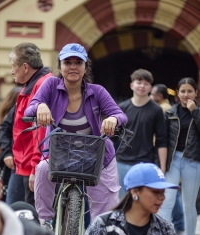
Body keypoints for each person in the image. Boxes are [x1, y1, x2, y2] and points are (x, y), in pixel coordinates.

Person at [26, 43, 128, 223]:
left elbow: (120, 114)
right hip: (59, 154)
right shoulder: (50, 85)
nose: (73, 66)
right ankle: (44, 222)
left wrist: (113, 119)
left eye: (78, 62)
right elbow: (29, 109)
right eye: (67, 62)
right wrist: (41, 105)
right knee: (42, 168)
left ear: (85, 67)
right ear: (60, 66)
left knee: (105, 216)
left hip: (97, 156)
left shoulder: (97, 91)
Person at [158, 77, 200, 235]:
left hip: (192, 160)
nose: (186, 94)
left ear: (196, 93)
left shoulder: (198, 111)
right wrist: (162, 163)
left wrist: (195, 112)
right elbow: (163, 139)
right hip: (173, 160)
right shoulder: (170, 113)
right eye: (182, 91)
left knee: (188, 204)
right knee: (167, 200)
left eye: (189, 91)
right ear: (177, 93)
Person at [8, 43, 53, 207]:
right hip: (27, 163)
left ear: (25, 67)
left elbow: (41, 132)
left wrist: (35, 168)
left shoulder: (41, 84)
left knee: (32, 216)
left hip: (33, 164)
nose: (12, 71)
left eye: (14, 66)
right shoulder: (35, 83)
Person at [116, 69, 167, 200]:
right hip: (121, 161)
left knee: (141, 202)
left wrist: (162, 168)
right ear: (132, 85)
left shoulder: (156, 110)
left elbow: (162, 140)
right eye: (139, 82)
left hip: (145, 162)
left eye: (146, 83)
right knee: (120, 202)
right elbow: (112, 137)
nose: (142, 86)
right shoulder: (122, 108)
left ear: (151, 87)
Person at [150, 84, 184, 235]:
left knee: (168, 192)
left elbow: (161, 136)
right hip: (169, 155)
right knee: (171, 191)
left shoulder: (162, 109)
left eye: (153, 94)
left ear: (160, 96)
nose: (151, 97)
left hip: (165, 154)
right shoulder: (167, 108)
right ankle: (179, 223)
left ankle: (177, 223)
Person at [0, 86, 25, 204]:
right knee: (12, 202)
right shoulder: (21, 104)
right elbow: (4, 129)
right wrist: (7, 152)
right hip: (17, 162)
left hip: (17, 161)